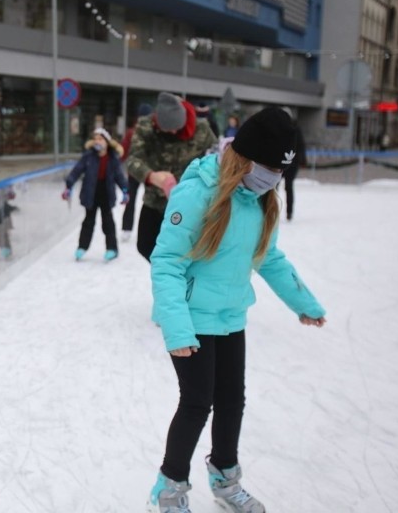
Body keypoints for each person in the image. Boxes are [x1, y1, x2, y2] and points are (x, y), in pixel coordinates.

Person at [146, 107, 327, 513]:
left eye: (279, 171)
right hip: (192, 319)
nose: (273, 178)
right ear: (243, 157)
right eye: (267, 167)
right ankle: (168, 488)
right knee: (196, 403)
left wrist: (304, 303)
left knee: (232, 401)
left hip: (231, 317)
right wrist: (176, 329)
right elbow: (167, 262)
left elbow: (270, 258)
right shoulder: (198, 194)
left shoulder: (260, 201)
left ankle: (225, 479)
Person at [127, 92, 217, 263]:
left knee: (187, 250)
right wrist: (151, 176)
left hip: (187, 203)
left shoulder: (202, 129)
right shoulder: (145, 127)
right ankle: (169, 276)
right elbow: (132, 159)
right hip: (155, 200)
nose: (174, 131)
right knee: (145, 246)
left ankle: (180, 281)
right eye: (168, 129)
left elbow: (216, 157)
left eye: (177, 127)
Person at [62, 127, 128, 261]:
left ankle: (112, 249)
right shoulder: (88, 156)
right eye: (95, 139)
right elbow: (76, 171)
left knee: (108, 222)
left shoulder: (112, 158)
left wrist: (125, 190)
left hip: (106, 193)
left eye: (100, 139)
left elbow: (119, 176)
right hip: (90, 193)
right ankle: (82, 247)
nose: (97, 142)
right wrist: (69, 186)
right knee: (88, 222)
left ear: (106, 142)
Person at [120, 104, 152, 241]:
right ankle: (148, 228)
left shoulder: (132, 132)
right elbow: (124, 150)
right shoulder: (151, 132)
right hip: (147, 172)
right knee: (149, 201)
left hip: (138, 171)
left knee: (132, 199)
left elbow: (123, 151)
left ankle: (127, 228)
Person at [281, 115, 306, 221]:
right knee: (273, 187)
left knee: (288, 187)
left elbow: (301, 146)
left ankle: (289, 212)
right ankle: (271, 210)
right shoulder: (281, 130)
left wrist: (303, 160)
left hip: (291, 164)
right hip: (281, 163)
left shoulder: (296, 131)